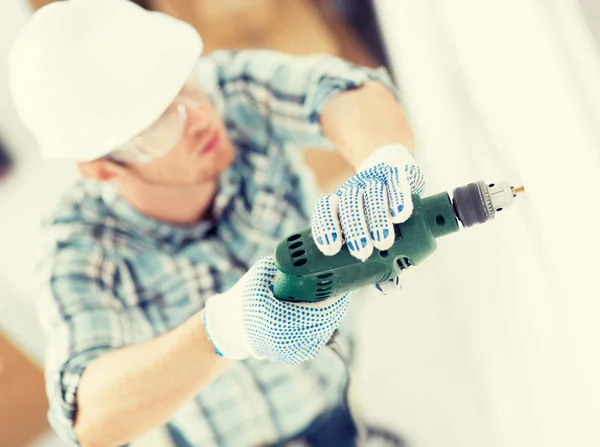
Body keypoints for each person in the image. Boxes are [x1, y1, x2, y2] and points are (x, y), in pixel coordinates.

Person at [8, 1, 424, 446]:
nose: (200, 117)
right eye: (158, 122)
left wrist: (384, 162)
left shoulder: (228, 92)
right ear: (101, 168)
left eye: (182, 85)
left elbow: (346, 92)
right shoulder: (81, 252)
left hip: (329, 387)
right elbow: (88, 418)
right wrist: (227, 329)